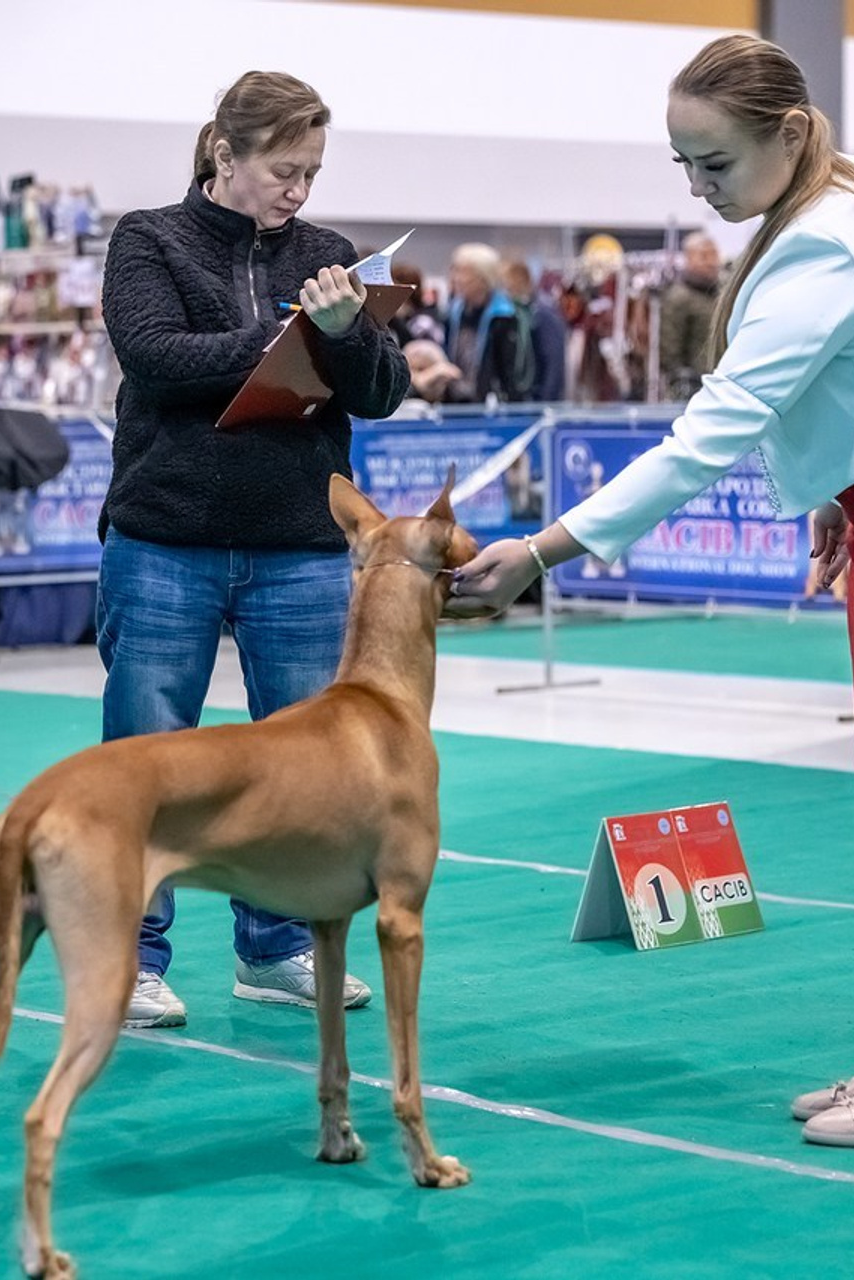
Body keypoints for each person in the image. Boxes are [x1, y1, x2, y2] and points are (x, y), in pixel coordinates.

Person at [449, 34, 854, 1147]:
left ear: (784, 135)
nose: (693, 187)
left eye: (710, 163)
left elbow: (700, 441)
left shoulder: (822, 244)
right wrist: (834, 492)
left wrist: (539, 549)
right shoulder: (808, 221)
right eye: (680, 164)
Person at [99, 70, 409, 1028]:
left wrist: (348, 329)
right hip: (163, 540)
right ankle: (133, 960)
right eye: (283, 169)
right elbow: (154, 354)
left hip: (299, 547)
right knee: (148, 759)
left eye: (312, 172)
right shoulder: (147, 238)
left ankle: (275, 950)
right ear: (223, 155)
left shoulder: (327, 256)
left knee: (305, 766)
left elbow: (383, 391)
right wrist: (286, 333)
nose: (299, 192)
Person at [439, 242, 534, 404]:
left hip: (490, 405)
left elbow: (512, 372)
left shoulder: (506, 316)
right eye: (456, 270)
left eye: (465, 272)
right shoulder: (452, 313)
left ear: (484, 278)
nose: (457, 278)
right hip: (454, 401)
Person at [658, 231, 722, 400]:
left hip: (723, 382)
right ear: (688, 259)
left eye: (714, 255)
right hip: (694, 387)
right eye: (703, 256)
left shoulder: (723, 293)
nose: (711, 262)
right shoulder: (679, 298)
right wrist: (681, 379)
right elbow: (669, 347)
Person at [499, 256, 567, 402]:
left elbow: (553, 362)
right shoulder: (514, 313)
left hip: (539, 400)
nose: (506, 289)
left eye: (508, 282)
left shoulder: (543, 314)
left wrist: (545, 402)